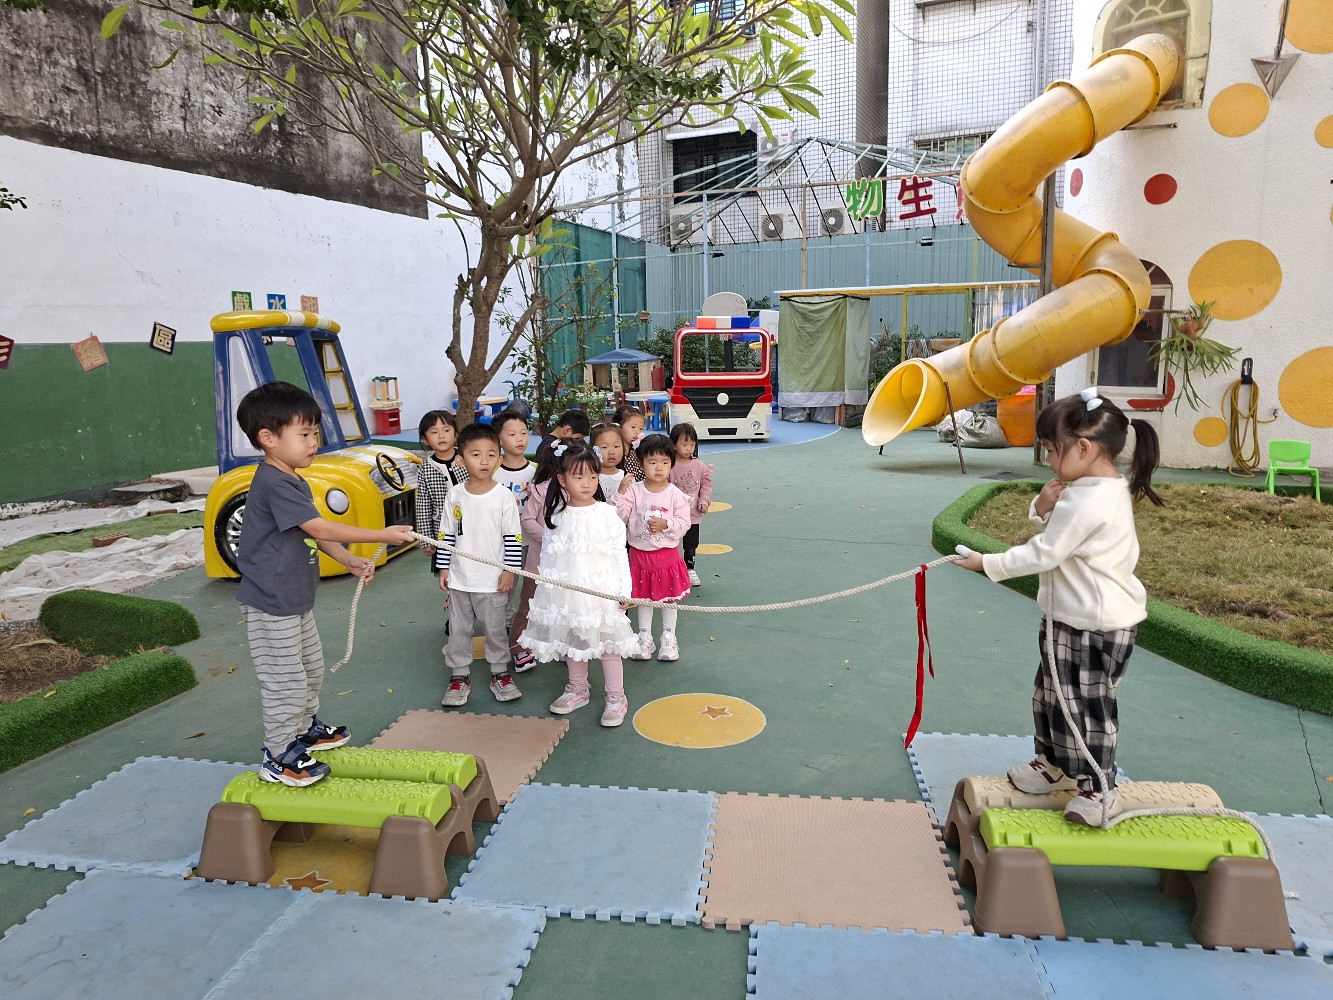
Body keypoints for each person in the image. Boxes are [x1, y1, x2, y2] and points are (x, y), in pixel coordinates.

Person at [954, 388, 1164, 825]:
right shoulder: (1094, 489)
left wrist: (986, 563)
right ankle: (1053, 765)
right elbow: (1065, 539)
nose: (1049, 460)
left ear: (1083, 448)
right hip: (1070, 619)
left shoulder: (1090, 500)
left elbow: (1046, 552)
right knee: (1051, 696)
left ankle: (1100, 790)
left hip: (1093, 627)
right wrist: (1041, 506)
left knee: (1085, 708)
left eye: (1051, 450)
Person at [234, 381, 415, 786]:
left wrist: (348, 558)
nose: (314, 442)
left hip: (294, 598)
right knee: (285, 681)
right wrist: (381, 535)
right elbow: (318, 527)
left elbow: (310, 531)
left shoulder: (293, 479)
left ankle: (303, 730)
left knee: (311, 669)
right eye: (304, 434)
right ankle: (278, 754)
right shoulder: (274, 482)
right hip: (270, 602)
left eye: (315, 433)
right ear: (268, 438)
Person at [518, 441, 640, 726]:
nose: (587, 483)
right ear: (563, 480)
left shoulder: (607, 514)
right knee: (573, 639)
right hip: (568, 594)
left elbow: (619, 554)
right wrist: (547, 591)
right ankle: (578, 688)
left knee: (608, 646)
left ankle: (616, 696)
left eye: (592, 476)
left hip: (602, 593)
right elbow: (548, 556)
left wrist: (624, 591)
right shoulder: (556, 517)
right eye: (579, 477)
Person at [436, 422, 524, 707]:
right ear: (461, 460)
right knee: (459, 630)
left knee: (495, 630)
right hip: (460, 581)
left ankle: (500, 673)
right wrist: (443, 568)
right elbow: (446, 534)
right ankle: (459, 675)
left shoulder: (504, 496)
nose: (484, 461)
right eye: (476, 455)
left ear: (499, 458)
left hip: (493, 581)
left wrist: (509, 570)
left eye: (491, 454)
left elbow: (513, 537)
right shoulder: (455, 494)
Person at [614, 433, 692, 661]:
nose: (659, 467)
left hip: (667, 556)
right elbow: (620, 516)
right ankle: (644, 637)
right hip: (639, 555)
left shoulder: (675, 494)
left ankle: (669, 637)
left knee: (670, 599)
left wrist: (666, 524)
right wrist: (620, 493)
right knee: (642, 599)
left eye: (665, 462)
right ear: (641, 464)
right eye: (652, 462)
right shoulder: (634, 490)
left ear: (671, 464)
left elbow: (684, 523)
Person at [668, 422, 712, 588]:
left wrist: (704, 501)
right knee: (670, 541)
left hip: (692, 514)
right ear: (673, 444)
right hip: (673, 515)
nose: (688, 448)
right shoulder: (669, 465)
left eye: (692, 444)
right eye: (684, 444)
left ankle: (689, 568)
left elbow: (706, 484)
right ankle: (671, 569)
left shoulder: (698, 464)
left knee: (691, 543)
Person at [591, 421, 626, 499]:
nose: (611, 452)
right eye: (604, 447)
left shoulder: (626, 477)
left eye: (616, 446)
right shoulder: (589, 477)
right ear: (593, 449)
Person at [613, 404, 647, 483]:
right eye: (633, 427)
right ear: (619, 427)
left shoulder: (638, 451)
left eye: (641, 428)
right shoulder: (614, 451)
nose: (637, 432)